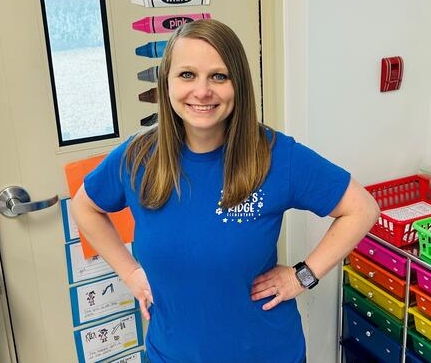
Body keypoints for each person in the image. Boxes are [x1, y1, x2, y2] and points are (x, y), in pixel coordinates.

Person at [71, 19, 380, 363]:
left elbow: (361, 208)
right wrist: (130, 273)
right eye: (187, 75)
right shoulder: (137, 157)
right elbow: (84, 206)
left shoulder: (275, 155)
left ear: (239, 85)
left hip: (265, 353)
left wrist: (302, 276)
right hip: (170, 354)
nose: (202, 91)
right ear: (167, 82)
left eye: (219, 76)